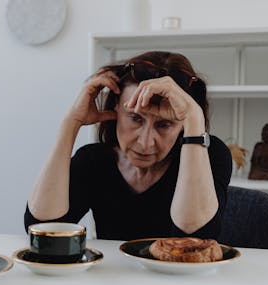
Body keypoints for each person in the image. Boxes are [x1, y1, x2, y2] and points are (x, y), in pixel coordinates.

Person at [24, 51, 232, 241]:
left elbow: (196, 240)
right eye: (135, 118)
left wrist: (194, 119)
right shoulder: (94, 160)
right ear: (116, 108)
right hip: (112, 280)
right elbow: (41, 229)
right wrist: (71, 123)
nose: (145, 142)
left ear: (182, 126)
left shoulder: (211, 154)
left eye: (164, 124)